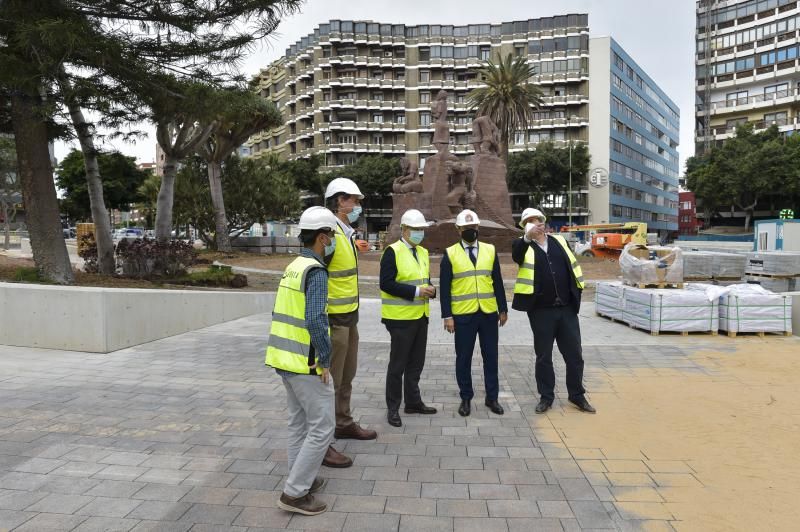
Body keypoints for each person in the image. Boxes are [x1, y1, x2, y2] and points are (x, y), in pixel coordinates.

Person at [265, 206, 339, 515]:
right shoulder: (316, 272)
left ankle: (300, 480)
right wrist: (324, 358)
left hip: (284, 358)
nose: (333, 242)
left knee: (298, 425)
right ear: (322, 238)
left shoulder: (294, 265)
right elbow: (315, 319)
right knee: (323, 427)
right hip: (306, 362)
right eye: (331, 236)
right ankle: (295, 493)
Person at [511, 207, 595, 415]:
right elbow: (516, 254)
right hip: (541, 311)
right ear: (524, 226)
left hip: (566, 309)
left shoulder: (559, 241)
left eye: (537, 220)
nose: (535, 223)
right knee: (543, 357)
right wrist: (527, 238)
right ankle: (546, 397)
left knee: (575, 355)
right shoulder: (522, 246)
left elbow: (570, 267)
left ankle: (577, 395)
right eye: (529, 221)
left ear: (543, 222)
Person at [323, 178, 377, 460]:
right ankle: (322, 439)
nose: (357, 206)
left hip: (348, 317)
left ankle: (342, 423)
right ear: (340, 201)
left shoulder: (345, 233)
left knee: (347, 375)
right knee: (328, 380)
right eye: (354, 201)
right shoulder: (329, 233)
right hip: (333, 318)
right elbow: (318, 274)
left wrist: (356, 247)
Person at [440, 209, 508, 417]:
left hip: (488, 313)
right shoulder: (450, 253)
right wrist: (447, 316)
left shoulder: (490, 250)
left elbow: (497, 280)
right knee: (464, 358)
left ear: (478, 227)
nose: (471, 230)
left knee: (491, 357)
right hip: (463, 316)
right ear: (458, 229)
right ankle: (466, 397)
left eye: (473, 227)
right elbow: (444, 287)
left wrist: (503, 308)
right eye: (466, 228)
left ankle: (492, 398)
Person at [379, 209, 438, 427]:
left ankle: (413, 402)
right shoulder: (391, 252)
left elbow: (424, 279)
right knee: (398, 365)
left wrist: (431, 289)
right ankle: (393, 407)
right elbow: (386, 283)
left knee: (416, 364)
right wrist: (415, 292)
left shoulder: (422, 252)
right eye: (416, 229)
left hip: (420, 316)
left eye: (421, 230)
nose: (419, 233)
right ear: (404, 229)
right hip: (400, 318)